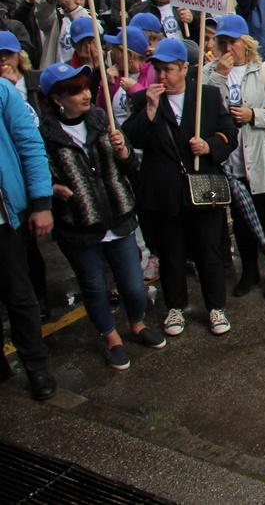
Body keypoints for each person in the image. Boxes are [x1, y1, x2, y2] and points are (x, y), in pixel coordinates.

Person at [39, 61, 168, 370]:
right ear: (57, 98)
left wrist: (123, 152)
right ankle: (111, 338)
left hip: (119, 217)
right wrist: (52, 187)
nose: (85, 95)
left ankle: (136, 322)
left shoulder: (101, 118)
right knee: (94, 286)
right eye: (75, 91)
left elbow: (130, 169)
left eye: (85, 88)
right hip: (80, 225)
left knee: (133, 283)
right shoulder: (45, 135)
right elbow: (37, 172)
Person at [122, 38, 238, 338]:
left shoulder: (207, 97)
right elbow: (132, 139)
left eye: (169, 69)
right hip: (163, 192)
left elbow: (229, 134)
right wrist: (149, 109)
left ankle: (215, 306)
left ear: (185, 69)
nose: (163, 76)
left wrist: (209, 146)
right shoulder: (144, 100)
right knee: (171, 253)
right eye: (158, 69)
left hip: (202, 190)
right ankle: (175, 305)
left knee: (208, 251)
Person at [203, 14, 265, 300]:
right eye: (223, 42)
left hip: (257, 156)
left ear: (246, 43)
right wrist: (218, 76)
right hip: (227, 160)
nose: (229, 48)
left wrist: (254, 115)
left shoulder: (262, 71)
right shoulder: (209, 73)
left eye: (234, 42)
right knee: (240, 220)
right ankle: (249, 271)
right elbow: (204, 111)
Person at [0, 62, 56, 399]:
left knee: (20, 297)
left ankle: (36, 366)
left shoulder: (3, 91)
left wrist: (41, 202)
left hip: (6, 219)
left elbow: (30, 145)